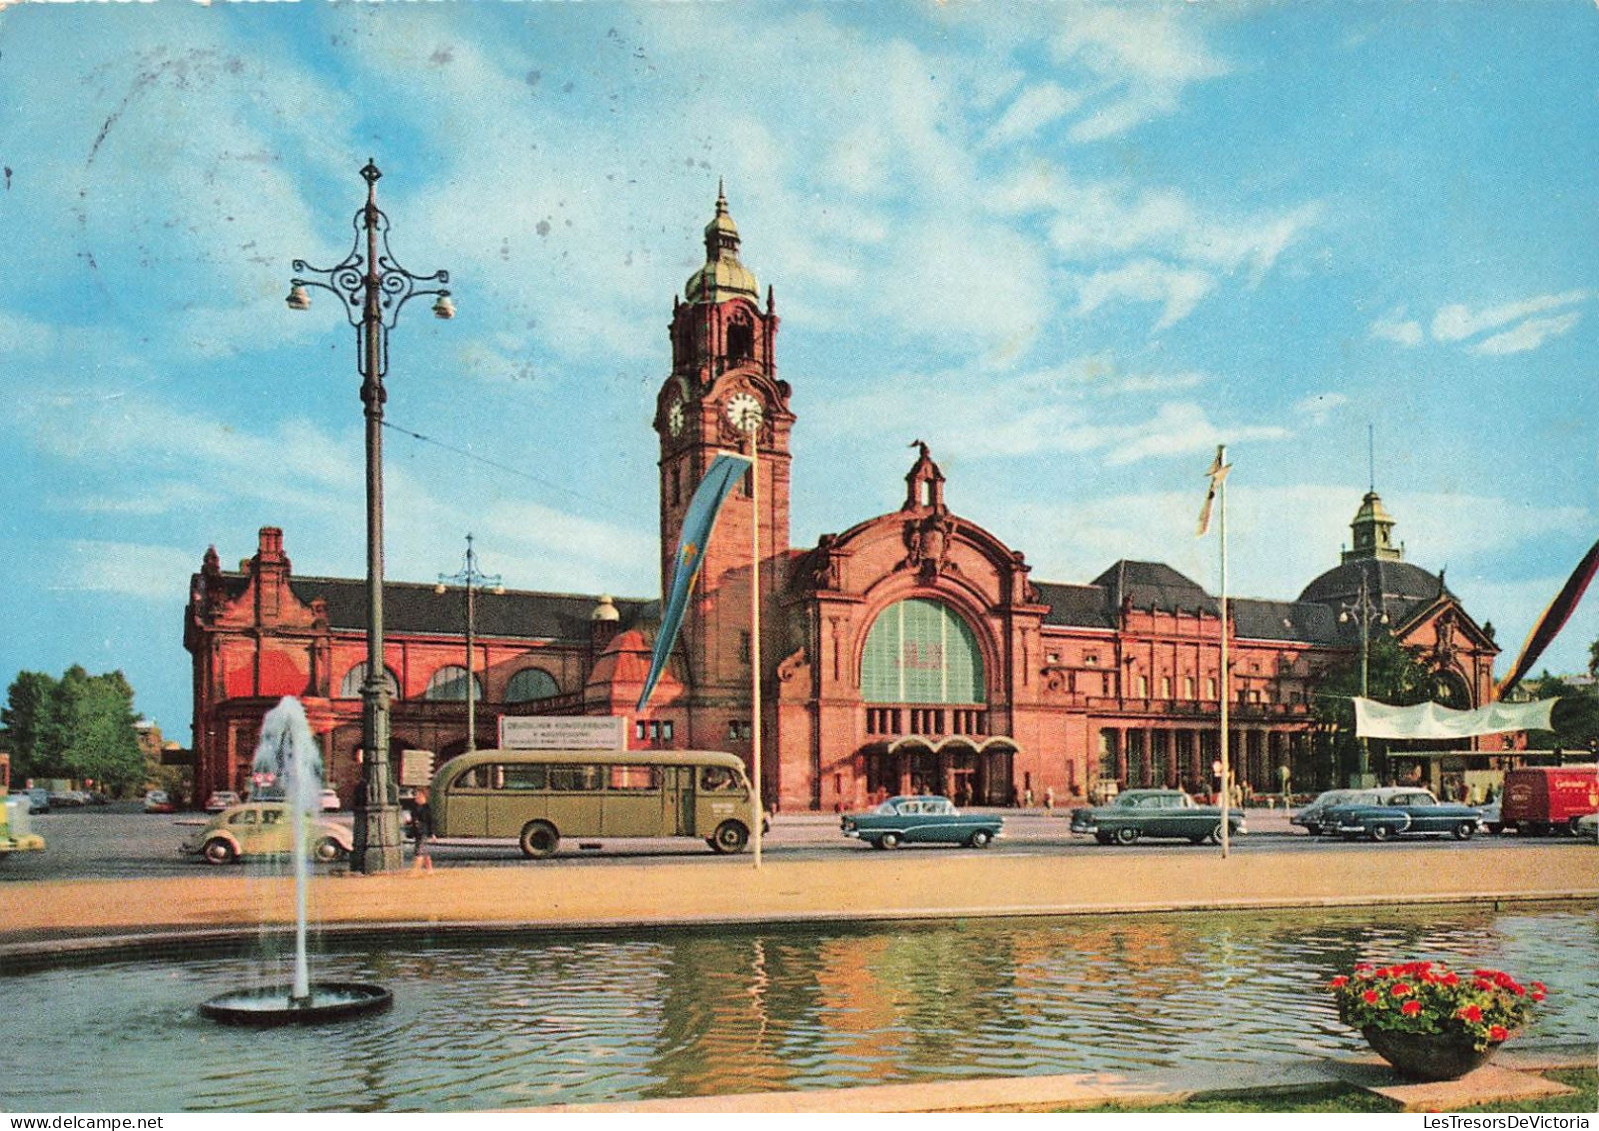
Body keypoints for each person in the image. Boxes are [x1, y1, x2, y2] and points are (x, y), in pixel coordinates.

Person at [410, 787, 433, 874]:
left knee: (419, 852)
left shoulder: (427, 808)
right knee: (424, 851)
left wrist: (432, 833)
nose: (416, 797)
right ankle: (429, 868)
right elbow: (414, 820)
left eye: (419, 795)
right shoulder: (415, 807)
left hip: (424, 831)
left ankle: (416, 870)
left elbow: (430, 822)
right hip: (417, 832)